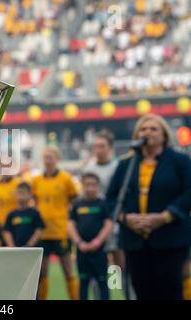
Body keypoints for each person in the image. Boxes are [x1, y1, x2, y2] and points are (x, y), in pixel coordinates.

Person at [107, 114, 191, 300]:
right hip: (135, 241)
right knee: (142, 290)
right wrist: (126, 218)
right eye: (143, 129)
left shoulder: (180, 161)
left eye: (153, 129)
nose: (147, 132)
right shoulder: (126, 164)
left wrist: (165, 216)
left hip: (170, 238)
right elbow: (111, 198)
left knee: (170, 291)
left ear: (164, 135)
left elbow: (188, 192)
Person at [82, 130, 127, 298]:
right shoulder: (89, 168)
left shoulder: (117, 168)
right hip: (95, 225)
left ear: (110, 148)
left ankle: (126, 294)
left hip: (115, 224)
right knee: (96, 267)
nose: (98, 149)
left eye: (101, 146)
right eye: (95, 146)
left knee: (120, 265)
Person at [32, 145, 79, 300]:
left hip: (60, 231)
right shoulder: (37, 180)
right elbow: (36, 202)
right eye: (45, 157)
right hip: (43, 233)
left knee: (68, 271)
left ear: (57, 159)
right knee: (42, 273)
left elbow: (74, 200)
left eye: (51, 156)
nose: (48, 160)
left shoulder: (66, 179)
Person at [68, 173, 113, 300]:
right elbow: (71, 225)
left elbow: (108, 224)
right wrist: (79, 242)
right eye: (87, 185)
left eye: (93, 185)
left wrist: (97, 241)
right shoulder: (77, 204)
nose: (90, 188)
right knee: (83, 283)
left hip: (99, 251)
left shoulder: (103, 204)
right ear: (82, 186)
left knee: (103, 283)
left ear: (98, 186)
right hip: (82, 251)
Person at [3, 182, 44, 247]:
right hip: (15, 251)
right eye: (18, 193)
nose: (20, 195)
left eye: (22, 193)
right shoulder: (11, 214)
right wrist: (12, 247)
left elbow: (38, 230)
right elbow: (7, 231)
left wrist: (29, 245)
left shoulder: (35, 213)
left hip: (31, 250)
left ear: (30, 195)